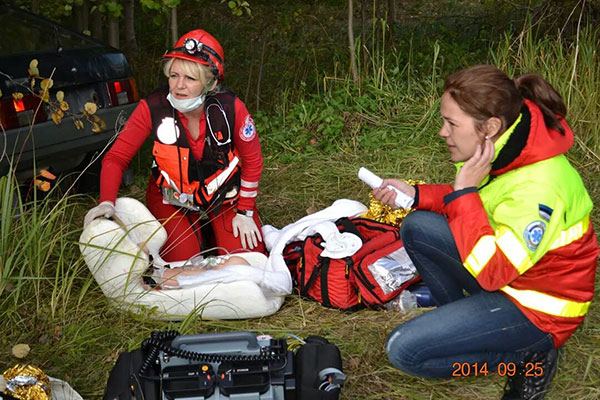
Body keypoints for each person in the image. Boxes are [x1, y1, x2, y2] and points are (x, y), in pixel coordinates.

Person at [373, 65, 598, 399]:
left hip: (539, 310)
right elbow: (482, 207)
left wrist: (465, 192)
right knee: (417, 225)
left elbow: (493, 271)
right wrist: (416, 194)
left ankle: (526, 359)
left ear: (490, 126)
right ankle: (466, 321)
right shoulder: (507, 146)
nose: (442, 132)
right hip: (511, 276)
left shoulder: (540, 186)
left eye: (451, 123)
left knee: (404, 351)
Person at [83, 29, 266, 261]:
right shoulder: (153, 107)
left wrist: (245, 210)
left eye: (190, 78)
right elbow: (116, 158)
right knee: (183, 265)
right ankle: (198, 237)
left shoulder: (230, 108)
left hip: (223, 196)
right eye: (174, 76)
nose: (179, 86)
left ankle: (213, 233)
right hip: (172, 197)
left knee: (249, 264)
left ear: (210, 83)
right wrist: (106, 202)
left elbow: (253, 161)